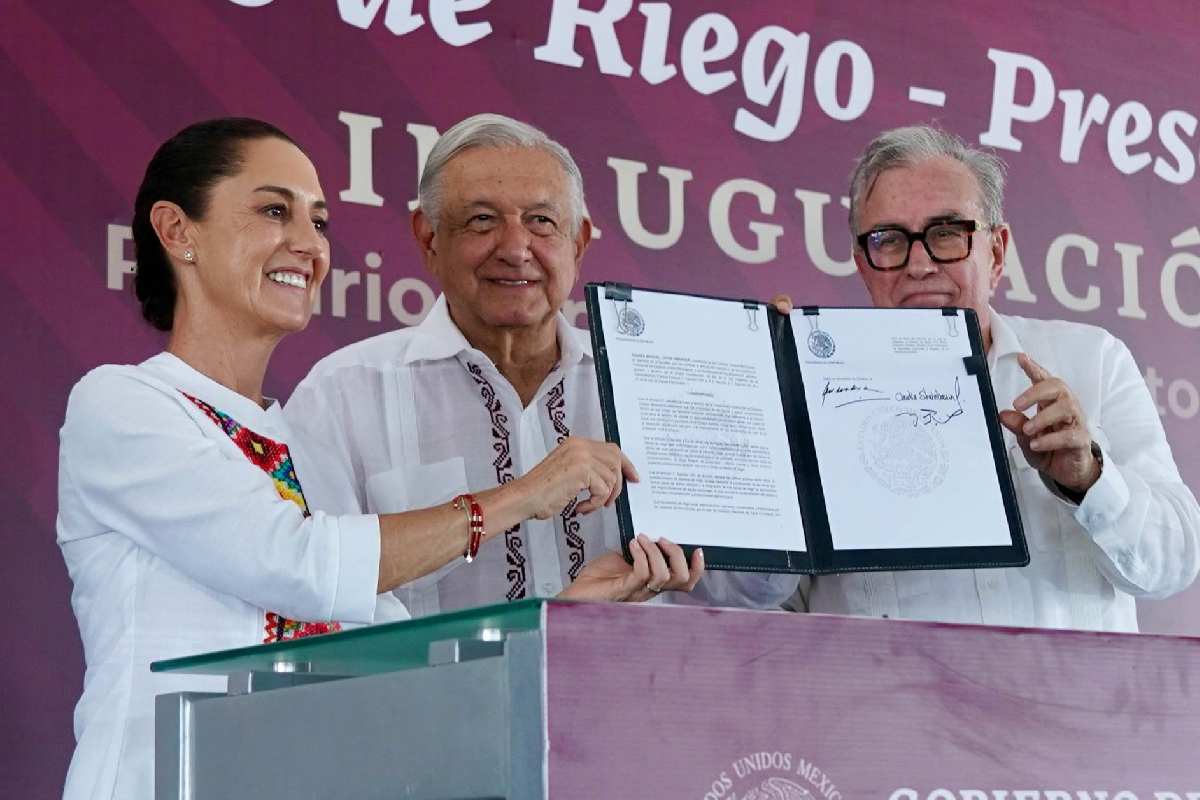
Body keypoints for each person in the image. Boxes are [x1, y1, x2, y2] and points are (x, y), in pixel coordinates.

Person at [57, 118, 643, 800]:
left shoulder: (300, 444)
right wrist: (523, 495)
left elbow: (395, 656)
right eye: (275, 210)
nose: (306, 244)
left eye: (320, 221)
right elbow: (297, 562)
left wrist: (568, 612)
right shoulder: (123, 403)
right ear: (177, 230)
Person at [285, 113, 795, 615]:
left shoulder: (658, 385)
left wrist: (778, 432)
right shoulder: (341, 396)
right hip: (437, 698)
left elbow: (754, 593)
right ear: (429, 237)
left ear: (578, 243)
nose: (514, 248)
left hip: (639, 694)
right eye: (482, 220)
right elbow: (313, 594)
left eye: (542, 222)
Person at [783, 124, 1200, 630]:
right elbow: (755, 604)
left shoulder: (1092, 359)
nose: (919, 264)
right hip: (886, 708)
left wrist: (1089, 479)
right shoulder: (800, 391)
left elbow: (1174, 564)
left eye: (946, 235)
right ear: (864, 265)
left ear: (996, 253)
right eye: (889, 240)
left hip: (1069, 709)